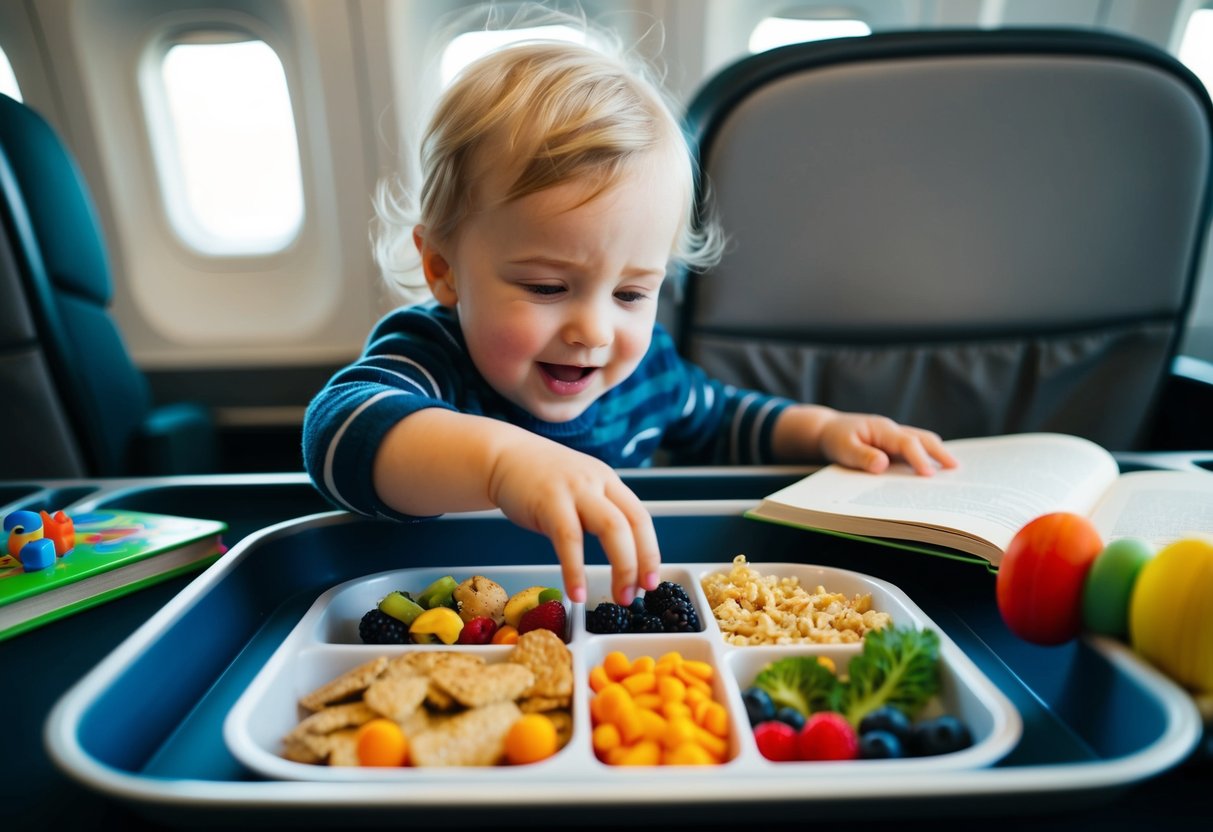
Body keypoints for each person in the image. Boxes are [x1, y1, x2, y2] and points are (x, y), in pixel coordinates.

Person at [303, 37, 956, 607]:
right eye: (546, 286)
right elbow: (339, 432)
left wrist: (825, 431)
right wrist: (504, 465)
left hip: (604, 601)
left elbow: (724, 418)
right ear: (443, 269)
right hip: (450, 604)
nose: (592, 330)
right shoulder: (431, 353)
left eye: (631, 293)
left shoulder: (646, 374)